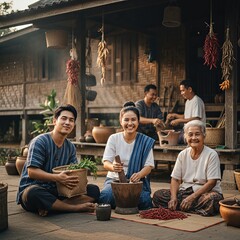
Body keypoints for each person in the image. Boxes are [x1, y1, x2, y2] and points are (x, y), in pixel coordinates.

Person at [16, 104, 100, 216]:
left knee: (94, 190)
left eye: (71, 120)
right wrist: (57, 178)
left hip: (59, 191)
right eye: (64, 118)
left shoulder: (70, 147)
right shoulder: (40, 141)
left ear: (73, 125)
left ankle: (52, 207)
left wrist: (80, 180)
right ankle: (74, 208)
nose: (67, 123)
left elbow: (73, 171)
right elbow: (32, 172)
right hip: (35, 189)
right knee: (33, 193)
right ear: (55, 121)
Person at [152, 120, 223, 216]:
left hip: (204, 192)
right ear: (185, 137)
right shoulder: (183, 154)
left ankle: (185, 205)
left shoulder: (211, 154)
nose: (194, 138)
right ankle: (186, 206)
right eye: (190, 135)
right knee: (158, 195)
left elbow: (212, 182)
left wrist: (192, 197)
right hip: (185, 192)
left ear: (204, 136)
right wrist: (173, 198)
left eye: (197, 134)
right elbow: (175, 179)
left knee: (212, 199)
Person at [98, 101, 155, 210]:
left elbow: (149, 167)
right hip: (115, 180)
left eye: (133, 120)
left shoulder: (144, 141)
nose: (130, 123)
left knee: (145, 201)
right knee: (105, 197)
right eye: (126, 120)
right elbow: (106, 162)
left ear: (138, 122)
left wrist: (139, 175)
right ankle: (126, 202)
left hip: (136, 182)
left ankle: (123, 202)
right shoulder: (113, 138)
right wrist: (113, 167)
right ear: (121, 121)